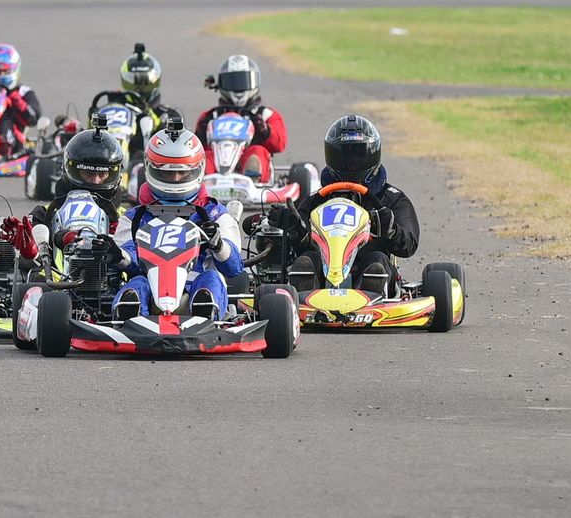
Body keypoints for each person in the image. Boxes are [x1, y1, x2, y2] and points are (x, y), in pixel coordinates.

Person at [265, 115, 420, 296]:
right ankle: (303, 297)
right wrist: (293, 226)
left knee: (376, 262)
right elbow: (301, 246)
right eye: (345, 157)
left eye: (359, 156)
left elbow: (409, 245)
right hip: (323, 270)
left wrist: (391, 230)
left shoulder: (391, 199)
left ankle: (371, 295)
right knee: (305, 261)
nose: (352, 164)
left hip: (370, 264)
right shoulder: (316, 199)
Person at [106, 120, 245, 319]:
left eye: (183, 172)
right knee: (137, 283)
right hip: (152, 288)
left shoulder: (214, 213)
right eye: (168, 173)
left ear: (198, 169)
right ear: (150, 169)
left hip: (195, 285)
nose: (177, 179)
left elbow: (234, 268)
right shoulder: (135, 216)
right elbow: (130, 257)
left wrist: (218, 244)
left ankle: (205, 312)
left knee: (211, 278)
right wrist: (118, 255)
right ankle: (130, 313)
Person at [0, 124, 127, 261]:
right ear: (70, 170)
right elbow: (20, 245)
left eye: (102, 175)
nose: (94, 181)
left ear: (115, 174)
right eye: (87, 173)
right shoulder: (45, 214)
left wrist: (116, 238)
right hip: (54, 283)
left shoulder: (126, 220)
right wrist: (30, 251)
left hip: (118, 285)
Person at [193, 54, 287, 180]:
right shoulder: (210, 116)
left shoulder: (266, 115)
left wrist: (265, 131)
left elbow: (279, 144)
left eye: (244, 81)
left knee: (257, 151)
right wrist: (202, 134)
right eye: (233, 82)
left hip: (248, 160)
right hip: (217, 162)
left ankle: (251, 181)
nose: (239, 88)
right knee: (204, 156)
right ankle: (202, 183)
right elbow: (195, 148)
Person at [0, 42, 41, 155]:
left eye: (5, 71)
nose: (1, 75)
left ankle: (6, 146)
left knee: (4, 115)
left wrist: (15, 99)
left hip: (13, 139)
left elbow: (33, 119)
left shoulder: (23, 92)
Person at [118, 42, 182, 124]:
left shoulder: (169, 116)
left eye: (145, 83)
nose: (141, 88)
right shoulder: (116, 111)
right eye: (136, 83)